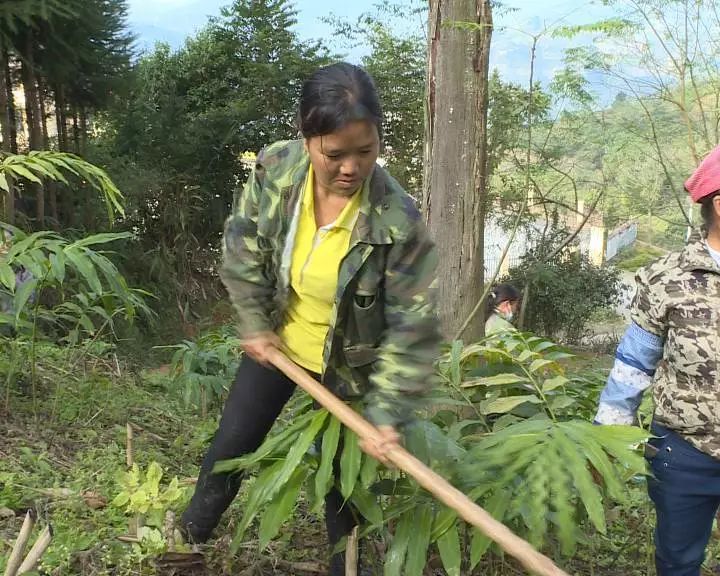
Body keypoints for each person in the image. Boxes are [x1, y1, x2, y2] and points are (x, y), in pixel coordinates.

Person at [180, 62, 441, 574]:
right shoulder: (277, 169)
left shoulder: (399, 220)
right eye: (334, 154)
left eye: (365, 152)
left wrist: (387, 416)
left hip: (353, 365)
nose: (350, 168)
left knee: (341, 483)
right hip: (281, 343)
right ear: (306, 139)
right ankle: (185, 541)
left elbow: (413, 327)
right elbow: (243, 243)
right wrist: (256, 323)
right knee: (232, 445)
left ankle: (344, 567)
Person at [594, 145, 720, 576]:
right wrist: (606, 442)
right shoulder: (667, 278)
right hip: (686, 452)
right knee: (678, 559)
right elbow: (633, 364)